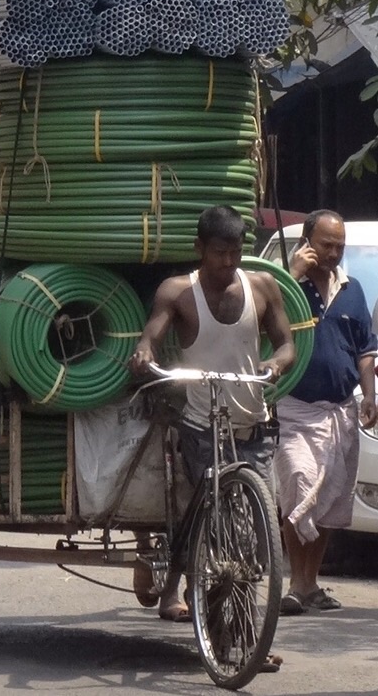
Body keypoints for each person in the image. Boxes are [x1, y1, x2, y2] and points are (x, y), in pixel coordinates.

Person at [130, 205, 295, 634]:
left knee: (256, 532)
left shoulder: (263, 286)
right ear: (199, 248)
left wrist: (276, 363)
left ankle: (237, 634)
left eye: (235, 252)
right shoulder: (178, 292)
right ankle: (236, 637)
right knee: (222, 526)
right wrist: (145, 352)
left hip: (254, 425)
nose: (228, 261)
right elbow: (152, 335)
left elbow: (286, 345)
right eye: (220, 252)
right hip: (202, 427)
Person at [276, 209, 377, 615]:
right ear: (307, 242)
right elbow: (259, 319)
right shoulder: (284, 285)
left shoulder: (352, 289)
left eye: (339, 246)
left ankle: (309, 583)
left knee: (330, 500)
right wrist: (292, 273)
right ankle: (294, 582)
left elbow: (365, 350)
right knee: (299, 483)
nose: (333, 253)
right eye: (326, 245)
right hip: (295, 408)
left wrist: (369, 395)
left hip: (340, 410)